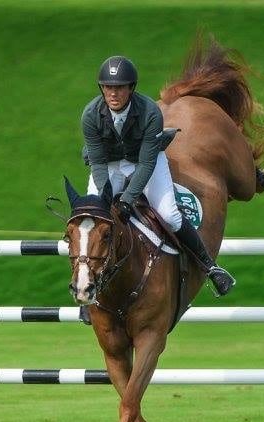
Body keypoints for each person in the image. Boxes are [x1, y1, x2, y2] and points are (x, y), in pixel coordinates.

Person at [81, 55, 236, 296]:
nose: (113, 93)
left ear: (131, 88)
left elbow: (145, 163)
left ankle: (210, 267)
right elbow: (98, 163)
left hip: (145, 162)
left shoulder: (150, 112)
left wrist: (127, 200)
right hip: (109, 165)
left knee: (170, 215)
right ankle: (88, 286)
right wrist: (107, 199)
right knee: (93, 221)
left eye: (119, 87)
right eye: (107, 87)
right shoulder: (90, 115)